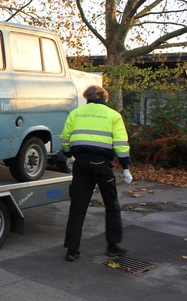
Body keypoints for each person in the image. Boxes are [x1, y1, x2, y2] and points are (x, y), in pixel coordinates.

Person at [60, 85, 133, 262]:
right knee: (111, 205)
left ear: (87, 98)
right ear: (104, 98)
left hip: (81, 163)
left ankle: (72, 250)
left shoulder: (76, 113)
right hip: (102, 164)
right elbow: (121, 143)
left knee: (77, 207)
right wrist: (125, 167)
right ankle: (113, 246)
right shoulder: (113, 115)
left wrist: (69, 155)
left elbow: (64, 137)